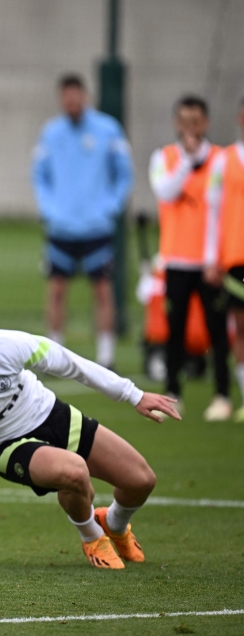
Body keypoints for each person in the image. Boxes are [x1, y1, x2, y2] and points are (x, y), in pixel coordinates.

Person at [0, 321, 178, 570]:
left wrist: (133, 395)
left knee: (141, 480)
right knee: (74, 473)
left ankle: (113, 523)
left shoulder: (7, 346)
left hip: (48, 413)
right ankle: (92, 536)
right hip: (0, 445)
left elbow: (72, 365)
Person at [31, 73, 133, 369]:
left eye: (76, 96)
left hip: (96, 227)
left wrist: (108, 208)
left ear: (84, 96)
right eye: (66, 97)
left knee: (102, 290)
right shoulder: (50, 133)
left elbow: (124, 174)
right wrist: (50, 209)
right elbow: (39, 175)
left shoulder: (107, 129)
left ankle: (105, 354)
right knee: (56, 290)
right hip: (61, 227)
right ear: (61, 99)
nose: (71, 102)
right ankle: (54, 353)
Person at [149, 95, 232, 421]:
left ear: (206, 123)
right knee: (175, 330)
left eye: (196, 121)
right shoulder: (165, 157)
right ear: (176, 123)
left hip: (211, 263)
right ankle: (172, 393)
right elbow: (166, 192)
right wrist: (186, 159)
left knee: (216, 330)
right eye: (184, 121)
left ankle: (223, 394)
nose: (190, 128)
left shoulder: (221, 159)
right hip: (176, 260)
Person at [208, 97, 244, 422]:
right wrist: (211, 257)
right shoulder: (224, 160)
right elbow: (214, 211)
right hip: (236, 257)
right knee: (240, 327)